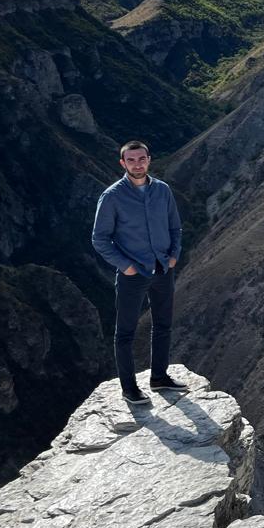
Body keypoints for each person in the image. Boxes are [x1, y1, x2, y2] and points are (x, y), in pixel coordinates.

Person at [91, 140, 187, 403]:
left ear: (149, 159)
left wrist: (173, 257)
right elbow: (100, 238)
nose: (137, 164)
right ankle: (129, 388)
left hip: (162, 269)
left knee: (163, 325)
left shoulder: (162, 191)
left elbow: (174, 227)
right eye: (131, 160)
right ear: (123, 163)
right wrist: (127, 267)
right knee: (125, 333)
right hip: (134, 274)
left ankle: (159, 377)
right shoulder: (112, 196)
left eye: (141, 159)